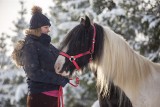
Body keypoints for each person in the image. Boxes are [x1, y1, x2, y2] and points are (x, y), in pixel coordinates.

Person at [11, 6, 69, 107]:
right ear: (37, 28)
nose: (49, 30)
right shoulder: (30, 46)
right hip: (40, 98)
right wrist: (59, 79)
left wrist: (69, 72)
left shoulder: (48, 46)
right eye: (46, 27)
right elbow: (34, 73)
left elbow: (60, 61)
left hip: (54, 98)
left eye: (48, 27)